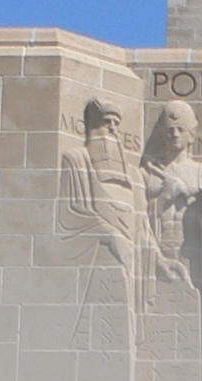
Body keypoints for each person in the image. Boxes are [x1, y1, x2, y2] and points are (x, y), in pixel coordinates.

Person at [60, 99, 146, 267]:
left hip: (128, 262)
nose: (112, 128)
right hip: (95, 259)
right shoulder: (76, 159)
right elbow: (69, 213)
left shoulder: (134, 175)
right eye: (106, 122)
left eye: (116, 123)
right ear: (93, 125)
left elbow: (143, 228)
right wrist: (111, 235)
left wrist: (161, 260)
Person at [143, 100, 202, 282]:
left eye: (180, 129)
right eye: (170, 130)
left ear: (191, 135)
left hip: (190, 254)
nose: (174, 134)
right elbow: (140, 218)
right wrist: (165, 196)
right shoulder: (150, 173)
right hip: (157, 252)